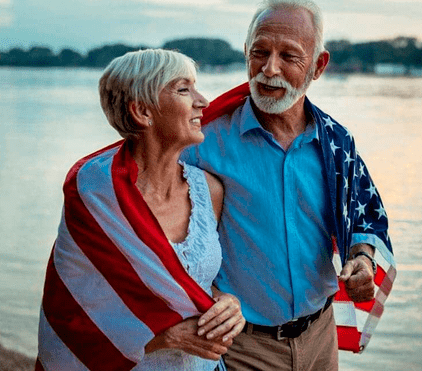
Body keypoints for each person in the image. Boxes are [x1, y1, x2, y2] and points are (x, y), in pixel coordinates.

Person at [182, 1, 395, 370]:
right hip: (239, 347)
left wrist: (362, 258)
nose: (269, 69)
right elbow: (159, 241)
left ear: (318, 66)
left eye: (289, 56)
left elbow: (363, 215)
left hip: (320, 337)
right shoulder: (202, 144)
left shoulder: (336, 143)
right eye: (260, 52)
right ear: (246, 52)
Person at [36, 49, 245, 371]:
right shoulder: (96, 197)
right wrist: (166, 336)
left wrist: (227, 303)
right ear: (142, 111)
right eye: (183, 89)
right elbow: (71, 314)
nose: (202, 101)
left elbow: (193, 283)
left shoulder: (210, 191)